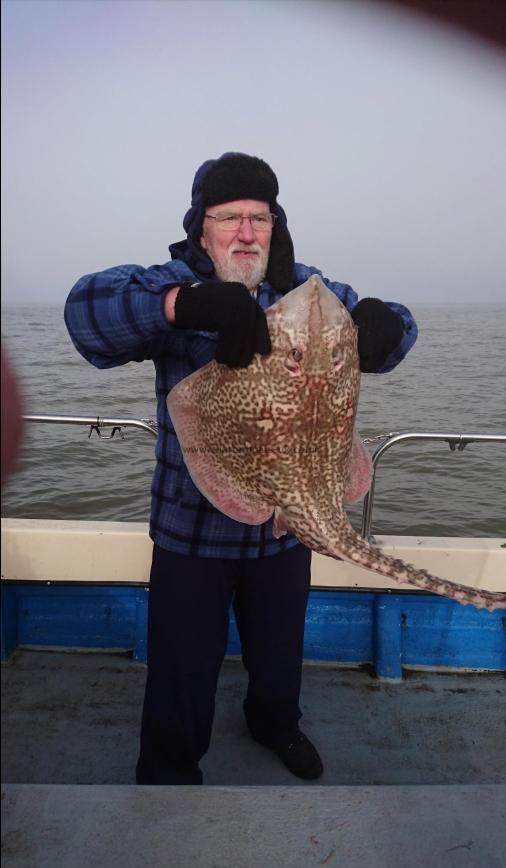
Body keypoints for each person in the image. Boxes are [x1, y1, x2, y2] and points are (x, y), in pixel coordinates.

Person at [65, 152, 418, 785]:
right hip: (191, 528)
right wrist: (182, 306)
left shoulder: (309, 293)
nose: (247, 232)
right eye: (229, 217)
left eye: (260, 217)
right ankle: (171, 770)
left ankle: (275, 722)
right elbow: (85, 313)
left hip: (287, 523)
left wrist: (386, 326)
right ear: (201, 226)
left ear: (276, 226)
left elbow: (397, 328)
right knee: (183, 666)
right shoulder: (166, 281)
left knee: (279, 655)